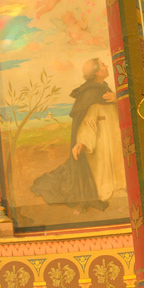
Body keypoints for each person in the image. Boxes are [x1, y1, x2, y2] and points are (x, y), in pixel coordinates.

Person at [34, 58, 127, 208]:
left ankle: (118, 186)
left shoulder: (104, 89)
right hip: (99, 139)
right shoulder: (90, 94)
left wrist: (118, 99)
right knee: (102, 166)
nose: (107, 66)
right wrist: (81, 142)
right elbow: (87, 122)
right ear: (98, 72)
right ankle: (104, 192)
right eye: (103, 65)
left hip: (113, 134)